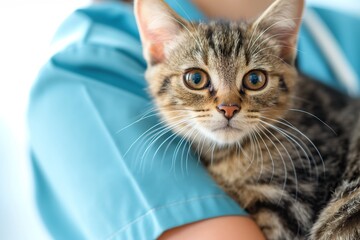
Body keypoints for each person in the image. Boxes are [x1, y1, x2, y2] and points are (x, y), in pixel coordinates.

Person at [28, 0, 360, 239]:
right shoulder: (84, 76)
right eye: (197, 80)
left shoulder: (340, 31)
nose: (228, 105)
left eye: (254, 80)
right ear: (158, 51)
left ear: (287, 51)